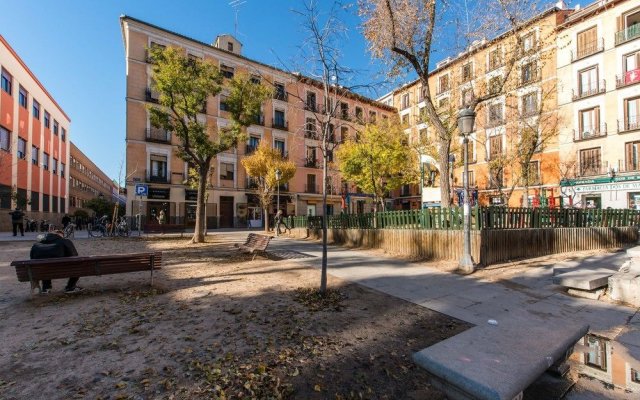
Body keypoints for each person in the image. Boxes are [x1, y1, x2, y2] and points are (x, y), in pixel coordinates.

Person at [30, 230, 82, 294]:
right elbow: (75, 256)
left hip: (42, 271)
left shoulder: (36, 245)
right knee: (78, 265)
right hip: (63, 270)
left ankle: (46, 287)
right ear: (60, 235)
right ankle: (70, 286)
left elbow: (32, 260)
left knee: (44, 265)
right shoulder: (65, 241)